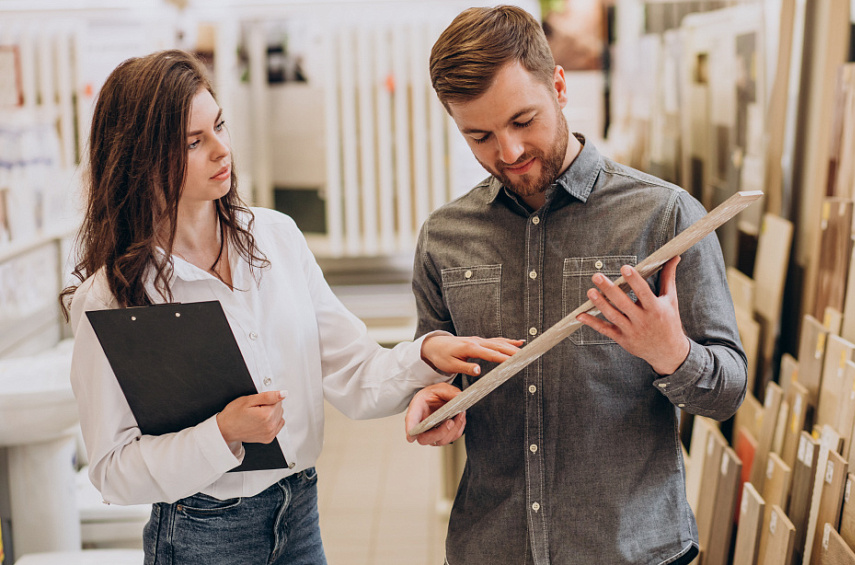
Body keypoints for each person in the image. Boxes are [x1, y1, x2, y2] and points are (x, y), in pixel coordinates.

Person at [60, 49, 518, 564]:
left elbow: (353, 372)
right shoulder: (113, 298)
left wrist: (427, 354)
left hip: (299, 516)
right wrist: (222, 434)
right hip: (201, 537)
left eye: (219, 126)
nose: (221, 150)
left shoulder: (275, 237)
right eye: (194, 141)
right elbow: (112, 470)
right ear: (140, 159)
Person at [404, 6, 747, 564]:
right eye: (480, 135)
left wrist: (672, 354)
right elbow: (436, 367)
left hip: (634, 550)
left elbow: (728, 392)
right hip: (492, 547)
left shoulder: (665, 217)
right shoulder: (445, 237)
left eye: (523, 120)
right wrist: (432, 399)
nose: (509, 152)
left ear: (559, 86)